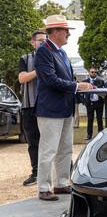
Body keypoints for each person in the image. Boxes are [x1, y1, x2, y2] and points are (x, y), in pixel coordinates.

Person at [34, 15, 93, 201]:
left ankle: (61, 183)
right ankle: (43, 187)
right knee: (48, 150)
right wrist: (77, 86)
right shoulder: (44, 51)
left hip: (65, 107)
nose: (68, 34)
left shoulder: (60, 52)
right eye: (66, 31)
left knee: (65, 149)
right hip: (50, 108)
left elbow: (65, 79)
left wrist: (79, 86)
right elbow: (50, 80)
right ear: (57, 32)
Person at [18, 30, 47, 186]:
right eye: (40, 40)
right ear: (33, 43)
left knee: (53, 141)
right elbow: (22, 78)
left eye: (45, 40)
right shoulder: (25, 58)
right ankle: (36, 173)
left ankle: (64, 170)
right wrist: (38, 71)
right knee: (33, 141)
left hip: (48, 106)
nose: (43, 42)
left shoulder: (54, 57)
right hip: (29, 105)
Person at [82, 67, 105, 140]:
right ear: (89, 72)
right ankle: (89, 135)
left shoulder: (100, 81)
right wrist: (84, 101)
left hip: (99, 103)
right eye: (92, 72)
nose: (94, 73)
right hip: (89, 103)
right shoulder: (85, 81)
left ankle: (100, 134)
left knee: (99, 119)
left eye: (95, 72)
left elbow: (104, 91)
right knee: (90, 119)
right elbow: (81, 93)